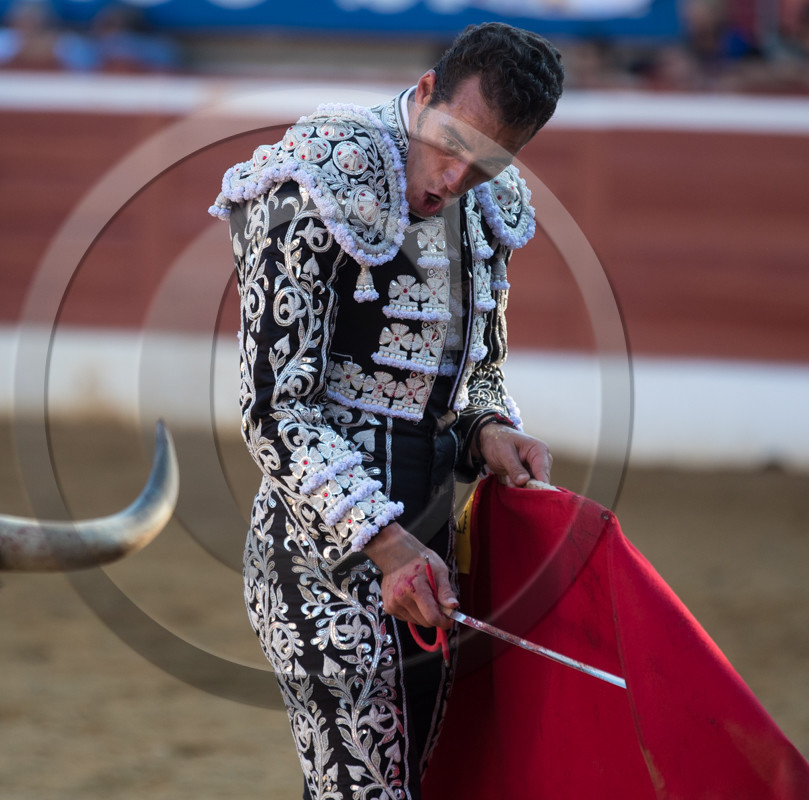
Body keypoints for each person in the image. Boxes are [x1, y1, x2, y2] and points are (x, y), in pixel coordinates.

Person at [210, 22, 563, 799]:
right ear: (427, 92)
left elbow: (477, 369)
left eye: (485, 164)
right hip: (322, 557)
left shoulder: (486, 202)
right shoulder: (316, 173)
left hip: (437, 547)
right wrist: (386, 545)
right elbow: (275, 410)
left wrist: (488, 428)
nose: (454, 178)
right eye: (451, 144)